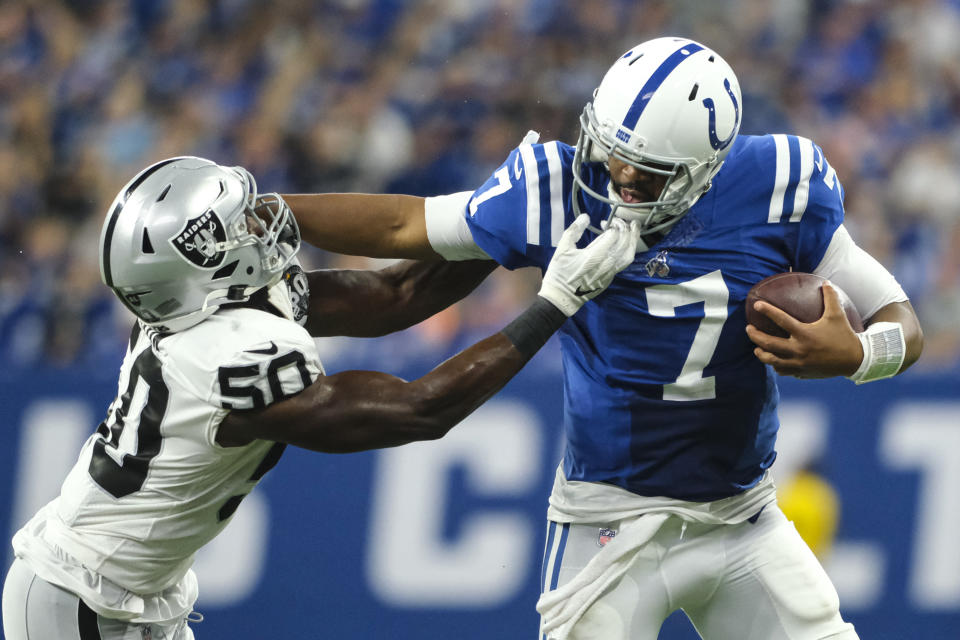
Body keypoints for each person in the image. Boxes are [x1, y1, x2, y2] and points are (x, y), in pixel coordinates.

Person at [280, 37, 924, 639]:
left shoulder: (780, 181)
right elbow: (402, 226)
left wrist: (862, 354)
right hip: (605, 521)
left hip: (741, 519)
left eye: (645, 173)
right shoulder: (557, 187)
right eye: (612, 152)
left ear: (707, 170)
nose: (617, 178)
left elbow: (902, 321)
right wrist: (268, 208)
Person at [1, 156, 638, 640]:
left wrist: (509, 226)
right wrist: (554, 303)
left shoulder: (212, 306)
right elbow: (419, 410)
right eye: (232, 229)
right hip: (81, 597)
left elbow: (396, 297)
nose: (258, 228)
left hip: (125, 589)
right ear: (197, 273)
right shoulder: (222, 352)